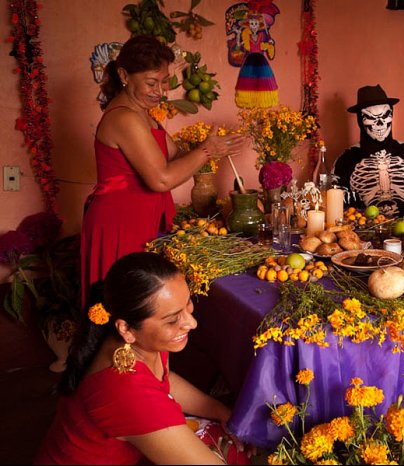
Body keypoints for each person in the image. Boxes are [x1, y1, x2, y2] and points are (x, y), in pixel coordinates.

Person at [35, 252, 253, 465]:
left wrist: (218, 410)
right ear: (127, 328)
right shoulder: (128, 392)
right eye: (172, 320)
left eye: (187, 303)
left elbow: (161, 380)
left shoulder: (135, 340)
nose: (191, 323)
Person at [80, 35, 243, 307]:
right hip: (119, 223)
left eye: (164, 81)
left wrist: (210, 149)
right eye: (151, 82)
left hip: (140, 219)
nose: (160, 91)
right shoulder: (125, 117)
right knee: (127, 309)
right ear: (123, 75)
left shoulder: (143, 113)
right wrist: (207, 151)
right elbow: (161, 178)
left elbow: (175, 157)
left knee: (144, 306)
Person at [332, 84, 404, 219]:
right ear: (360, 121)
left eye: (385, 115)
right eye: (371, 117)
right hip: (364, 237)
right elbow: (334, 202)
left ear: (391, 115)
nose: (380, 124)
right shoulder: (347, 159)